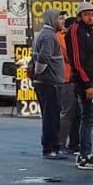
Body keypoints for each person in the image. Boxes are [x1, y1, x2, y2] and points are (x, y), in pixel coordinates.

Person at [64, 1, 93, 170]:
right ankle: (84, 156)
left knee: (91, 119)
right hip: (88, 82)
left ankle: (86, 154)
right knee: (88, 119)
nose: (90, 17)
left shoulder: (92, 32)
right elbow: (76, 60)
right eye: (87, 14)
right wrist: (87, 84)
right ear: (79, 16)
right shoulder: (76, 31)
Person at [30, 11, 68, 159]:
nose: (63, 21)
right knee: (51, 117)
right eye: (60, 18)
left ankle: (54, 147)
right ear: (52, 19)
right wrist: (38, 72)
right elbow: (44, 57)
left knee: (52, 116)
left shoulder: (43, 34)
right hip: (49, 83)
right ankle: (50, 149)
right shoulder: (49, 36)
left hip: (47, 82)